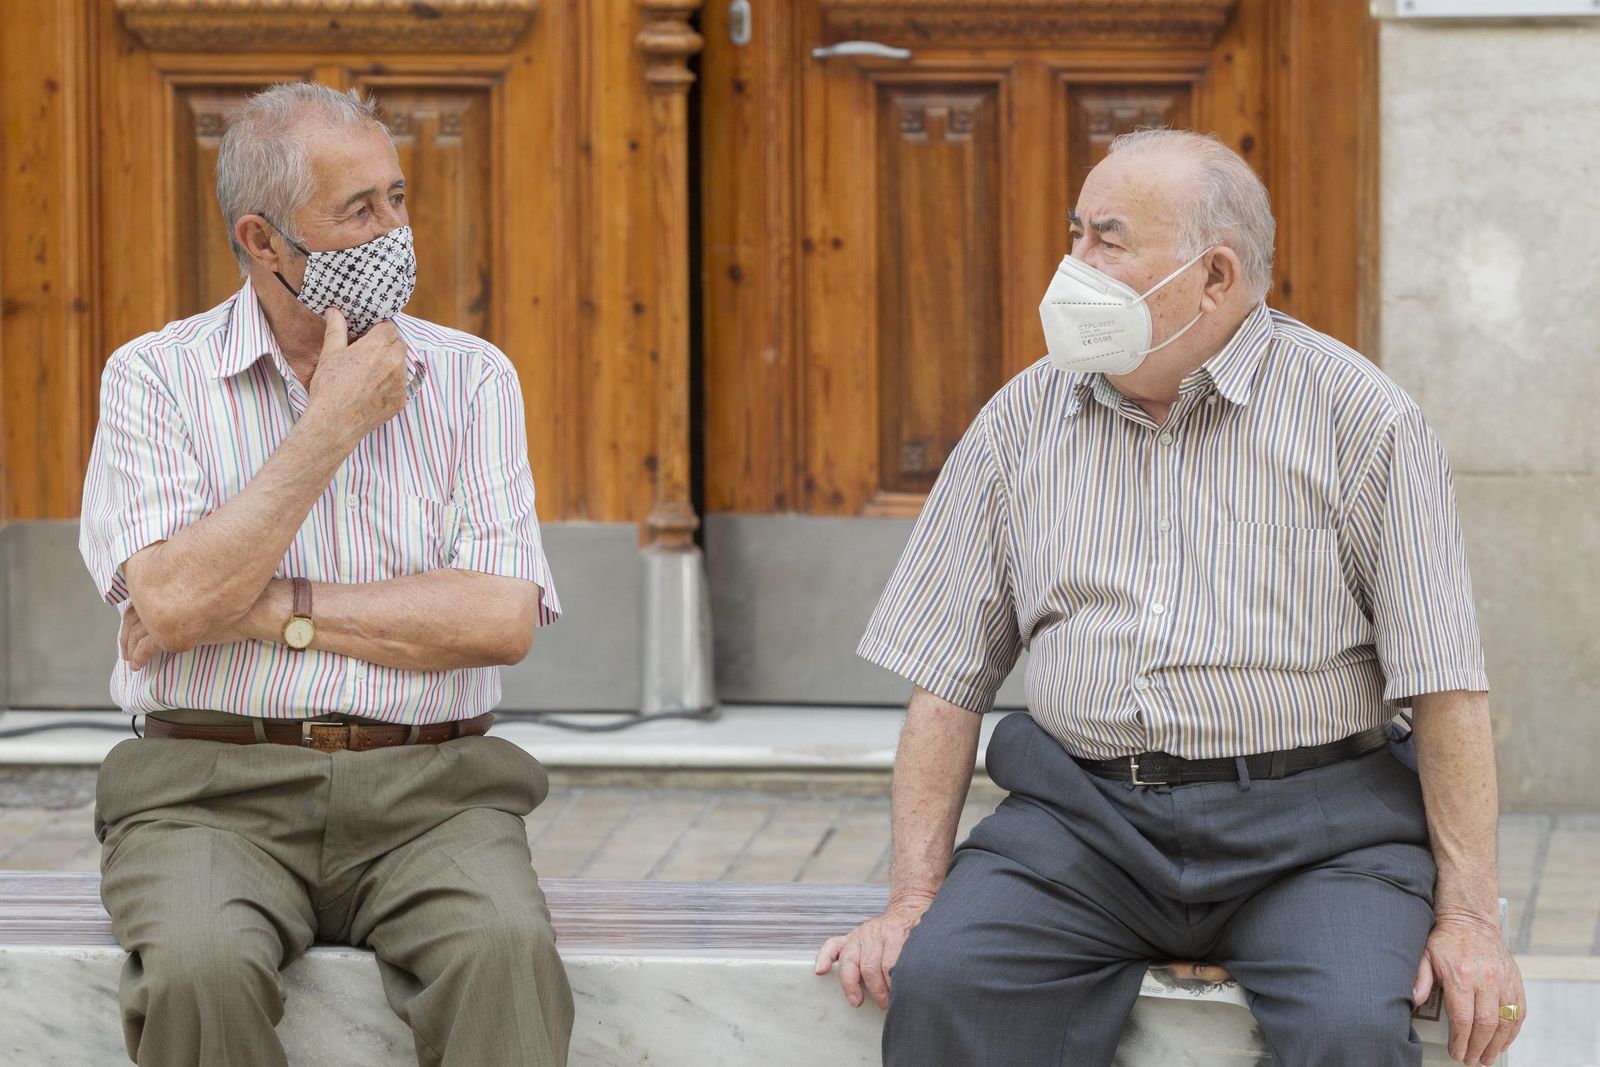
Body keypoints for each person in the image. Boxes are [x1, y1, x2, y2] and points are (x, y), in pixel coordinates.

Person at [815, 129, 1524, 1067]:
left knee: (1352, 1028)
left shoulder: (1362, 420)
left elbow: (1446, 686)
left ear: (1216, 276)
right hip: (1082, 822)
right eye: (1074, 235)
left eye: (1106, 241)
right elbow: (946, 682)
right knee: (948, 982)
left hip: (1317, 831)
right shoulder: (1020, 422)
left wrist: (1470, 917)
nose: (1072, 268)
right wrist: (911, 901)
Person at [78, 82, 572, 1067]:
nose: (394, 229)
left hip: (435, 786)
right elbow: (170, 602)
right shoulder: (153, 375)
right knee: (198, 970)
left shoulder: (472, 376)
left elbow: (497, 615)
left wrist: (257, 605)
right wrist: (329, 427)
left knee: (508, 954)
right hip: (204, 788)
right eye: (358, 210)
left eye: (396, 197)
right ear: (263, 241)